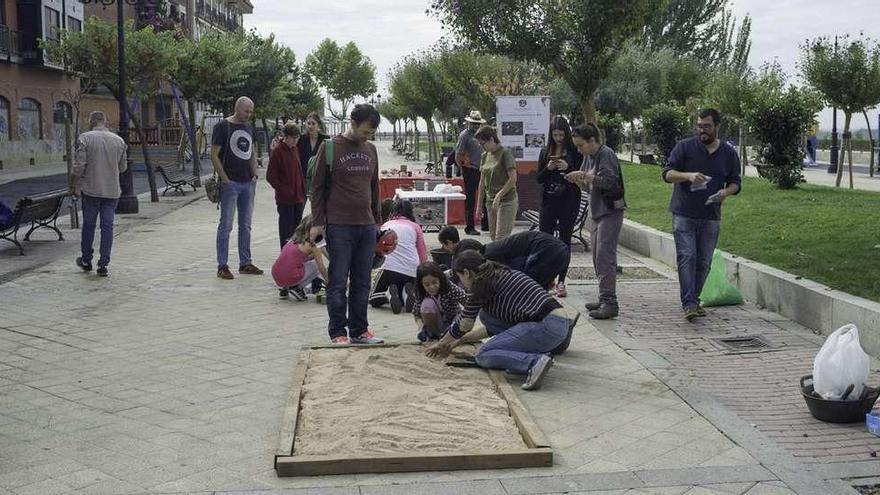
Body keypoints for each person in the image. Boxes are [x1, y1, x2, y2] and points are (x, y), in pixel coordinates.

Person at [425, 250, 577, 391]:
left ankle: (534, 362)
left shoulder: (479, 286)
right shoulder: (498, 274)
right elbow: (492, 328)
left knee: (483, 355)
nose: (461, 282)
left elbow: (464, 324)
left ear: (466, 273)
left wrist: (441, 343)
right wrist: (457, 342)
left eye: (460, 277)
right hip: (556, 323)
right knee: (486, 316)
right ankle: (531, 359)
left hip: (546, 326)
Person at [310, 104, 384, 344]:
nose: (368, 136)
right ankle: (338, 332)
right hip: (339, 225)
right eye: (365, 131)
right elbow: (317, 187)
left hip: (366, 226)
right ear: (352, 123)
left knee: (363, 280)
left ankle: (360, 330)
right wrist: (318, 222)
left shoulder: (371, 150)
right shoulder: (330, 147)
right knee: (338, 280)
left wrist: (377, 222)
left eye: (371, 133)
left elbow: (374, 188)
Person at [662, 108, 741, 321]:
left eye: (706, 126)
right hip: (684, 213)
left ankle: (694, 300)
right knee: (687, 256)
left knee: (704, 261)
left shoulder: (728, 153)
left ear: (716, 126)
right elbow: (667, 174)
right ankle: (688, 303)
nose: (702, 130)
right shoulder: (684, 147)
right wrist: (687, 176)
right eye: (699, 125)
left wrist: (725, 192)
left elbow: (736, 182)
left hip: (711, 215)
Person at [565, 122, 626, 320]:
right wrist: (580, 179)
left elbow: (609, 181)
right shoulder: (588, 157)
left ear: (593, 141)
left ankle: (610, 301)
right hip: (597, 212)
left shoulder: (605, 154)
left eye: (581, 145)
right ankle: (603, 297)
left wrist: (585, 176)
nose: (578, 149)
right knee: (597, 257)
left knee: (605, 257)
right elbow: (587, 185)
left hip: (610, 211)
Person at [70, 111, 127, 277]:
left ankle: (86, 259)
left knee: (89, 225)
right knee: (107, 227)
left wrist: (74, 184)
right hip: (111, 191)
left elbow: (79, 166)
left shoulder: (85, 138)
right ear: (105, 122)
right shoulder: (119, 141)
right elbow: (123, 168)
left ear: (91, 121)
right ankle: (103, 264)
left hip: (91, 190)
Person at [211, 96, 263, 280]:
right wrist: (224, 179)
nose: (248, 115)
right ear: (236, 108)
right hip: (230, 183)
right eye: (245, 111)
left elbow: (251, 151)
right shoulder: (222, 126)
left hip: (248, 182)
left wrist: (254, 173)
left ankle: (245, 263)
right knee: (226, 225)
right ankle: (222, 265)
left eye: (250, 111)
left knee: (246, 225)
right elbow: (214, 154)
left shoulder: (249, 127)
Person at [536, 116, 583, 298]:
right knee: (545, 241)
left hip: (568, 200)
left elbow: (581, 175)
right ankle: (547, 278)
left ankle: (562, 281)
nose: (558, 138)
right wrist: (548, 168)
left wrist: (567, 167)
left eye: (561, 134)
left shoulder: (575, 152)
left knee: (564, 240)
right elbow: (539, 178)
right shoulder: (545, 151)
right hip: (549, 200)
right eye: (555, 134)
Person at [369, 199, 427, 314]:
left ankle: (387, 294)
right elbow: (422, 255)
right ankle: (406, 295)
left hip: (389, 268)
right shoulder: (416, 227)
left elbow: (378, 249)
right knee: (400, 291)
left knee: (372, 299)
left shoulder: (386, 225)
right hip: (411, 272)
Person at [266, 123, 306, 254]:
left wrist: (302, 188)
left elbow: (299, 170)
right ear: (285, 137)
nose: (295, 141)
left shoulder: (295, 149)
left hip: (298, 197)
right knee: (286, 230)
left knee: (297, 230)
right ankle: (285, 255)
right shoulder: (277, 151)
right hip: (285, 199)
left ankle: (295, 255)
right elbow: (271, 176)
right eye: (293, 138)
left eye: (297, 138)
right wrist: (284, 190)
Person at [475, 126, 518, 242]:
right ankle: (496, 260)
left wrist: (499, 195)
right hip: (490, 202)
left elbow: (513, 178)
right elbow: (482, 182)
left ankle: (503, 260)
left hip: (506, 200)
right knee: (493, 237)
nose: (481, 147)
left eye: (482, 143)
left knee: (501, 238)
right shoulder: (484, 156)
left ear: (491, 140)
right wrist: (479, 206)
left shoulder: (505, 153)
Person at [271, 215, 328, 301]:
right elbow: (322, 269)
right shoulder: (313, 245)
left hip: (276, 275)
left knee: (297, 263)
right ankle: (296, 288)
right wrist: (331, 283)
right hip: (289, 276)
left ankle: (285, 289)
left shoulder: (293, 239)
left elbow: (297, 258)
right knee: (316, 266)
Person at [411, 261, 467, 342]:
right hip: (436, 323)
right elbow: (416, 313)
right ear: (421, 284)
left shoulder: (449, 288)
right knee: (427, 305)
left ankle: (449, 335)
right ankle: (434, 335)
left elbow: (467, 303)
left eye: (434, 282)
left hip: (452, 320)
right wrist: (420, 328)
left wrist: (463, 322)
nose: (432, 287)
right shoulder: (420, 292)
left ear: (440, 279)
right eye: (427, 284)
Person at [455, 110, 487, 235]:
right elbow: (458, 154)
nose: (476, 126)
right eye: (474, 123)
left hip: (481, 169)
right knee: (471, 199)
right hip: (470, 169)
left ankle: (485, 224)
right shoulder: (465, 135)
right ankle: (469, 226)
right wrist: (463, 168)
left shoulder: (481, 135)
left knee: (484, 196)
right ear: (469, 123)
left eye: (478, 124)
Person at [298, 112, 330, 193]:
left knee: (317, 204)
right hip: (303, 178)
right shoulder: (301, 139)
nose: (310, 126)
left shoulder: (325, 139)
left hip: (319, 178)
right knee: (300, 203)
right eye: (308, 123)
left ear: (318, 125)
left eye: (313, 123)